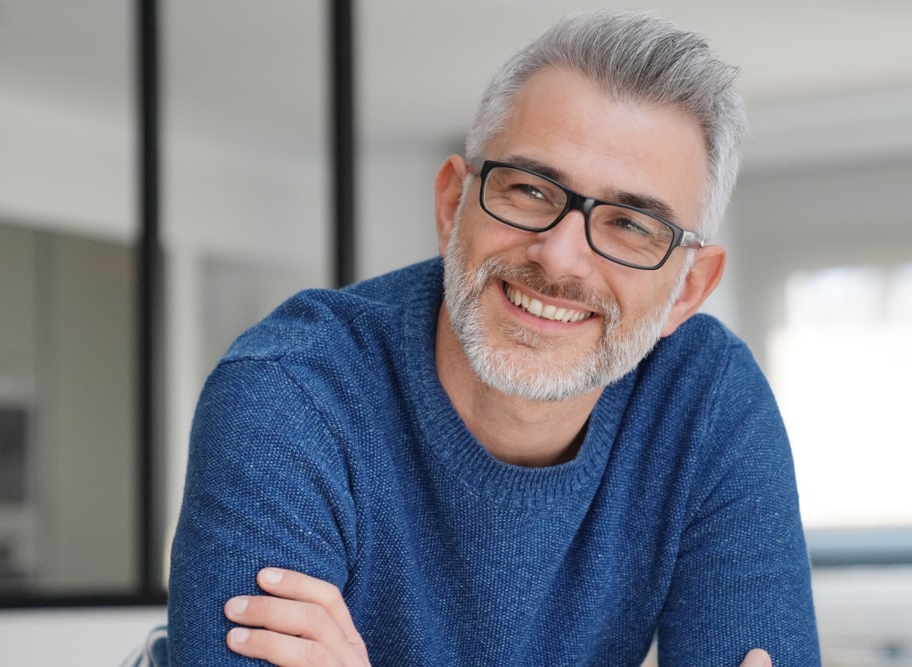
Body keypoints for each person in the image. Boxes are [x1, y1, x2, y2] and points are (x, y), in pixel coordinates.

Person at [168, 9, 820, 666]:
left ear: (687, 289)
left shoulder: (707, 401)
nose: (561, 258)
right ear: (454, 204)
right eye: (531, 189)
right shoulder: (289, 394)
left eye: (630, 225)